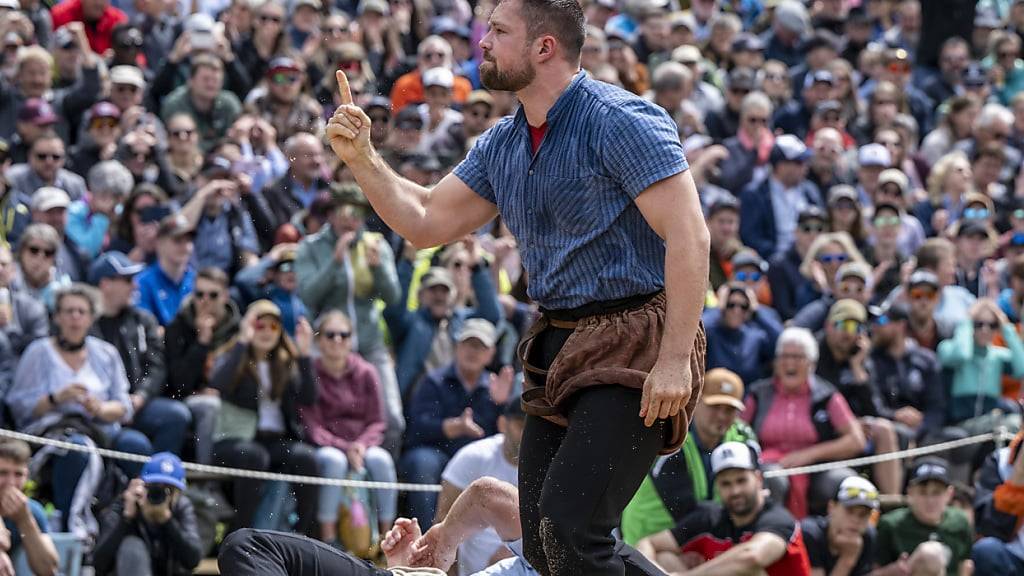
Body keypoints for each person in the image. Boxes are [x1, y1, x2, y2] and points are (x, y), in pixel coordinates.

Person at [327, 1, 708, 573]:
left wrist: (676, 358)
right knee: (544, 540)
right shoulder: (502, 143)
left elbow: (690, 235)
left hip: (638, 343)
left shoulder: (620, 119)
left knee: (568, 528)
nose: (482, 42)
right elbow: (426, 218)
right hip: (557, 344)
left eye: (499, 31)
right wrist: (362, 159)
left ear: (544, 47)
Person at [5, 284, 151, 534]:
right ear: (57, 316)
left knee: (136, 445)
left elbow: (123, 406)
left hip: (100, 428)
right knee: (77, 450)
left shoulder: (106, 353)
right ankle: (72, 529)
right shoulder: (38, 352)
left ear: (91, 317)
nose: (75, 317)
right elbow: (19, 407)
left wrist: (100, 408)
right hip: (52, 432)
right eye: (69, 311)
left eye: (81, 312)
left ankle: (133, 523)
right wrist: (56, 398)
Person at [218, 477, 581, 575]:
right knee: (250, 548)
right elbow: (489, 499)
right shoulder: (571, 544)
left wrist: (444, 542)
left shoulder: (594, 554)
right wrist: (409, 566)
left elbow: (486, 496)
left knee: (248, 546)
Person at [210, 300, 319, 537]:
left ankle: (303, 535)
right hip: (234, 439)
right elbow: (219, 383)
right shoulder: (234, 356)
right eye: (260, 325)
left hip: (274, 440)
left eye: (274, 326)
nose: (267, 332)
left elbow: (309, 398)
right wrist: (242, 341)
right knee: (254, 456)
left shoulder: (285, 361)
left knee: (306, 458)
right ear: (249, 326)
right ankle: (241, 534)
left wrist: (305, 355)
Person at [621, 368, 758, 546]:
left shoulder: (743, 435)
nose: (722, 416)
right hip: (652, 539)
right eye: (715, 407)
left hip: (707, 536)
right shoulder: (670, 436)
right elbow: (685, 510)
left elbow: (756, 496)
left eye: (730, 409)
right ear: (696, 401)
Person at [634, 441, 812, 575]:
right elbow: (647, 543)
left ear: (758, 479)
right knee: (666, 558)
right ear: (718, 487)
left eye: (741, 480)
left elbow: (752, 556)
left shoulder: (779, 518)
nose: (735, 491)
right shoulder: (710, 517)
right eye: (726, 484)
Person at [401, 318, 512, 528]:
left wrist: (502, 406)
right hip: (437, 453)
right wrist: (451, 427)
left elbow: (507, 435)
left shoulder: (497, 387)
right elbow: (415, 430)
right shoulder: (433, 381)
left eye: (480, 346)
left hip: (479, 459)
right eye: (468, 344)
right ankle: (425, 537)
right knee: (422, 462)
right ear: (457, 347)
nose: (473, 351)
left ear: (491, 354)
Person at [299, 310, 397, 544]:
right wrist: (345, 447)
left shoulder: (366, 372)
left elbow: (377, 421)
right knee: (335, 461)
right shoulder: (310, 371)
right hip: (327, 446)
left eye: (344, 335)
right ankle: (329, 539)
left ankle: (387, 538)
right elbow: (311, 425)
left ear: (352, 339)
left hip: (363, 445)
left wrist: (360, 446)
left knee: (382, 460)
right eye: (330, 335)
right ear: (318, 340)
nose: (337, 340)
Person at [90, 251, 190, 456]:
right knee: (136, 445)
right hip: (98, 408)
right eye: (127, 280)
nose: (135, 286)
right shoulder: (85, 323)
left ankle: (159, 479)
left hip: (136, 403)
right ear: (105, 284)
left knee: (176, 415)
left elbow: (157, 366)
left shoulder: (143, 320)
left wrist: (141, 396)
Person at [435, 395, 524, 575]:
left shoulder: (549, 466)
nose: (527, 433)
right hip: (472, 561)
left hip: (522, 557)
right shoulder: (473, 456)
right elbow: (443, 519)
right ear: (502, 424)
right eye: (521, 425)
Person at [92, 452, 203, 576]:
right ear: (142, 486)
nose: (159, 494)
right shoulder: (125, 504)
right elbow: (100, 563)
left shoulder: (181, 507)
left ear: (177, 494)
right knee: (132, 546)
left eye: (169, 490)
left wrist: (168, 521)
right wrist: (126, 519)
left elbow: (193, 560)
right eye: (154, 487)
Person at [875, 458, 974, 576]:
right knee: (929, 555)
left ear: (949, 494)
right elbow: (875, 569)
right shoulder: (891, 525)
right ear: (910, 493)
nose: (930, 500)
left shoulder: (960, 521)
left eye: (936, 493)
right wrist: (895, 570)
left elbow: (965, 564)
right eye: (922, 492)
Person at [800, 476, 880, 576]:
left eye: (863, 514)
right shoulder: (809, 534)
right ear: (831, 507)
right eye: (849, 511)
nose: (855, 520)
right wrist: (847, 559)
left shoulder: (868, 536)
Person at [0, 440, 58, 576]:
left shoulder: (31, 510)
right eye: (2, 473)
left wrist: (25, 521)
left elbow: (48, 570)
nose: (11, 483)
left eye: (18, 474)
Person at [134, 215, 195, 327]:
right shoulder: (143, 283)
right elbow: (144, 326)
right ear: (159, 243)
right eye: (178, 240)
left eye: (189, 240)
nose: (185, 247)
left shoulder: (196, 280)